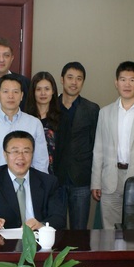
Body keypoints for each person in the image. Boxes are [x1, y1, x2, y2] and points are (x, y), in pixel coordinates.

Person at [91, 61, 134, 229]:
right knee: (110, 230)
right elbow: (98, 149)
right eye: (123, 79)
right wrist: (96, 182)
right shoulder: (105, 112)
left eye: (132, 80)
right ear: (116, 83)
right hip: (110, 179)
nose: (127, 84)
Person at [0, 131, 65, 233]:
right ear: (5, 155)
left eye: (26, 152)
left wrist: (41, 225)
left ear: (32, 154)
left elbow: (59, 218)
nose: (21, 157)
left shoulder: (48, 182)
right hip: (2, 239)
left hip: (37, 238)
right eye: (15, 151)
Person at [52, 62, 99, 230]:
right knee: (54, 229)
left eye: (79, 79)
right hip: (55, 179)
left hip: (81, 179)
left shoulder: (92, 109)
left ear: (83, 82)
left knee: (79, 231)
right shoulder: (51, 106)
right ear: (62, 79)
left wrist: (96, 180)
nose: (74, 82)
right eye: (70, 77)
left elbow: (96, 146)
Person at [0, 74, 48, 179]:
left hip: (27, 183)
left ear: (22, 95)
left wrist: (41, 185)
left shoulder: (34, 123)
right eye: (6, 91)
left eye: (15, 92)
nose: (11, 96)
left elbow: (41, 162)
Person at [24, 71, 60, 171]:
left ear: (53, 91)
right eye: (38, 89)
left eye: (47, 89)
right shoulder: (24, 118)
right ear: (33, 92)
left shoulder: (62, 118)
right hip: (28, 172)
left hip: (55, 173)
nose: (43, 93)